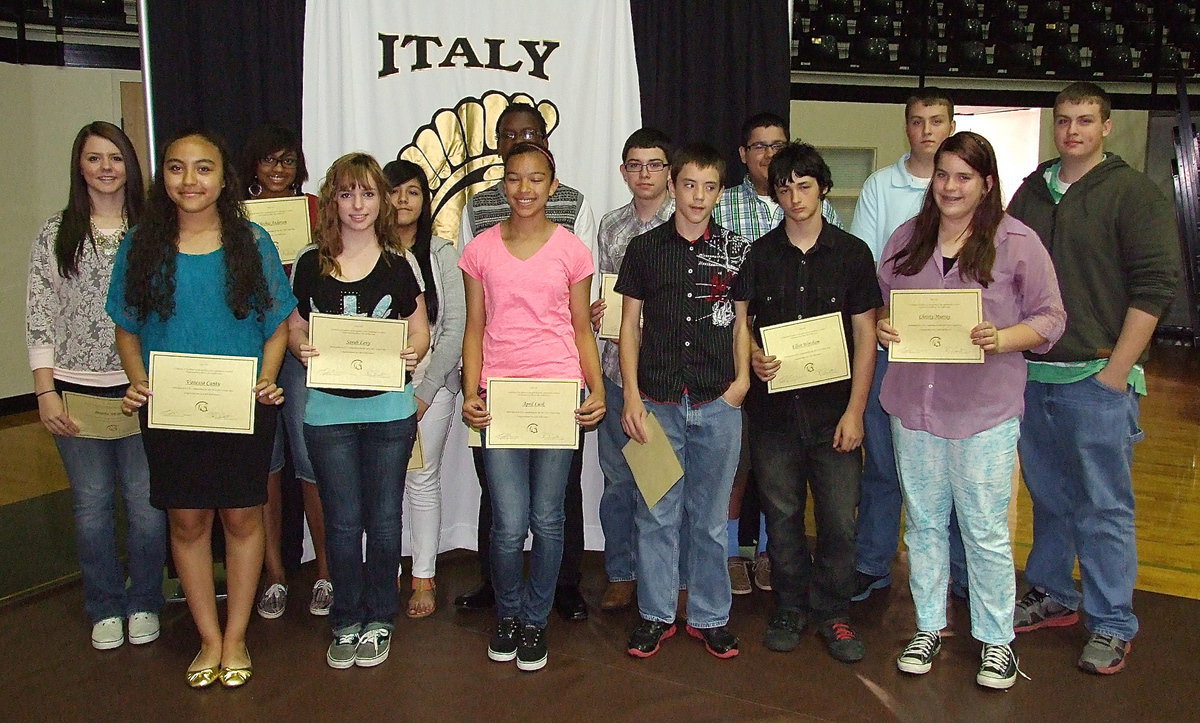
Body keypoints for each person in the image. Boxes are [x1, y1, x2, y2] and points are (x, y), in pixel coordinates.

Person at [876, 131, 1065, 690]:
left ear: (986, 183)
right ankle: (929, 626)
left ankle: (996, 640)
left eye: (964, 176)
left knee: (984, 530)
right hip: (914, 409)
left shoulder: (1018, 242)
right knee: (926, 525)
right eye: (942, 175)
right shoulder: (906, 239)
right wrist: (885, 328)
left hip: (984, 412)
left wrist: (1004, 338)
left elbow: (1052, 318)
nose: (951, 187)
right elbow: (882, 304)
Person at [108, 128, 295, 688]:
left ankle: (236, 636)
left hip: (242, 406)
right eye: (176, 168)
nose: (189, 180)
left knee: (241, 517)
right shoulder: (140, 243)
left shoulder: (253, 242)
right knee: (187, 521)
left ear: (223, 176)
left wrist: (266, 379)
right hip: (170, 409)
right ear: (162, 176)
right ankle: (207, 638)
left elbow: (277, 328)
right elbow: (126, 329)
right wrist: (139, 381)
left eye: (203, 168)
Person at [1007, 82, 1178, 675]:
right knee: (1049, 498)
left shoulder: (1133, 193)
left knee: (1104, 507)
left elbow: (1155, 288)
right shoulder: (1031, 191)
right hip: (1034, 376)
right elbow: (1005, 272)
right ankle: (1053, 591)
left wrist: (1115, 373)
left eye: (1085, 120)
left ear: (1106, 127)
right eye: (1063, 121)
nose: (1072, 131)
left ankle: (1111, 621)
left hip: (1096, 379)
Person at [459, 142, 604, 672]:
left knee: (547, 520)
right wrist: (472, 391)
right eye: (515, 179)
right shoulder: (479, 249)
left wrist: (598, 389)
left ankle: (536, 620)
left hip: (559, 392)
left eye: (536, 179)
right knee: (507, 521)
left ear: (552, 184)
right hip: (501, 396)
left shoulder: (572, 250)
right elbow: (474, 328)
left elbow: (582, 328)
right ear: (503, 184)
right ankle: (509, 614)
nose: (524, 189)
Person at [733, 142, 880, 662]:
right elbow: (743, 323)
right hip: (773, 416)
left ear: (822, 188)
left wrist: (856, 411)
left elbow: (865, 337)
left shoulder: (853, 254)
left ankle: (835, 614)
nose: (794, 197)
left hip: (835, 413)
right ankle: (792, 607)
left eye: (804, 185)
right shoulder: (760, 254)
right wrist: (753, 357)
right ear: (773, 194)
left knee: (841, 520)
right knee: (783, 517)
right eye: (784, 187)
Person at [26, 121, 166, 651]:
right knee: (91, 507)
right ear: (78, 166)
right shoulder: (54, 233)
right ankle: (105, 604)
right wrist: (44, 390)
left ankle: (146, 601)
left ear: (131, 166)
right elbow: (39, 315)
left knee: (148, 507)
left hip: (142, 389)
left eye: (116, 157)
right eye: (94, 158)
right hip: (76, 393)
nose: (106, 167)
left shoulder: (154, 232)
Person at [289, 153, 429, 670]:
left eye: (367, 193)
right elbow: (295, 324)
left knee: (385, 520)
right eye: (346, 194)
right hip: (327, 413)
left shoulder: (399, 260)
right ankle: (346, 619)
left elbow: (420, 328)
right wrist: (301, 346)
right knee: (343, 524)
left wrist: (414, 351)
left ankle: (381, 619)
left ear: (382, 200)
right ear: (332, 200)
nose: (357, 205)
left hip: (390, 409)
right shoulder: (310, 260)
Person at [619, 143, 750, 660]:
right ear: (673, 186)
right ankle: (655, 615)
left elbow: (744, 322)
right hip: (657, 403)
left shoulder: (738, 250)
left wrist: (741, 382)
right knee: (656, 514)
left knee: (711, 518)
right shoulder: (645, 249)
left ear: (721, 192)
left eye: (710, 186)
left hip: (720, 403)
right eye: (689, 184)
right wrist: (630, 395)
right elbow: (629, 327)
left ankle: (710, 616)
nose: (698, 196)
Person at [711, 111, 841, 594]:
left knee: (781, 478)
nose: (768, 155)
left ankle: (770, 555)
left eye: (776, 144)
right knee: (738, 467)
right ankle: (728, 554)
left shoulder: (833, 225)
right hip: (739, 359)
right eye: (758, 146)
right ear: (743, 155)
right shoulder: (720, 206)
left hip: (814, 369)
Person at [848, 88, 969, 602]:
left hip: (959, 357)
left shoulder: (972, 191)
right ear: (907, 127)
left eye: (936, 120)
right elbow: (867, 268)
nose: (926, 130)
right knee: (883, 463)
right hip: (895, 348)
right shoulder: (882, 187)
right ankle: (872, 562)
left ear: (950, 124)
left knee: (958, 468)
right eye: (917, 121)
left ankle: (962, 573)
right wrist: (880, 322)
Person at [239, 124, 332, 620]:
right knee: (264, 467)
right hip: (246, 349)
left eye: (288, 161)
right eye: (269, 160)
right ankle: (274, 574)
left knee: (309, 463)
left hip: (299, 349)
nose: (278, 170)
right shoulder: (233, 220)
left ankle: (325, 572)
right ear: (252, 165)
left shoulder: (316, 211)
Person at [593, 127, 676, 612]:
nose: (644, 173)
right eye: (635, 165)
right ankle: (620, 570)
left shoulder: (685, 219)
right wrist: (597, 310)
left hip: (667, 376)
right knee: (619, 478)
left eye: (655, 164)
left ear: (669, 171)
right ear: (623, 172)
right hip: (615, 372)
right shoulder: (610, 225)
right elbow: (603, 292)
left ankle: (663, 576)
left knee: (663, 480)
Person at [381, 159, 466, 619]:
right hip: (371, 387)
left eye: (413, 192)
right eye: (394, 191)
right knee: (380, 482)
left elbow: (454, 326)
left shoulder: (440, 252)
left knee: (421, 478)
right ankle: (383, 570)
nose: (403, 201)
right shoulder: (363, 249)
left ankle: (423, 575)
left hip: (430, 387)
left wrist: (426, 390)